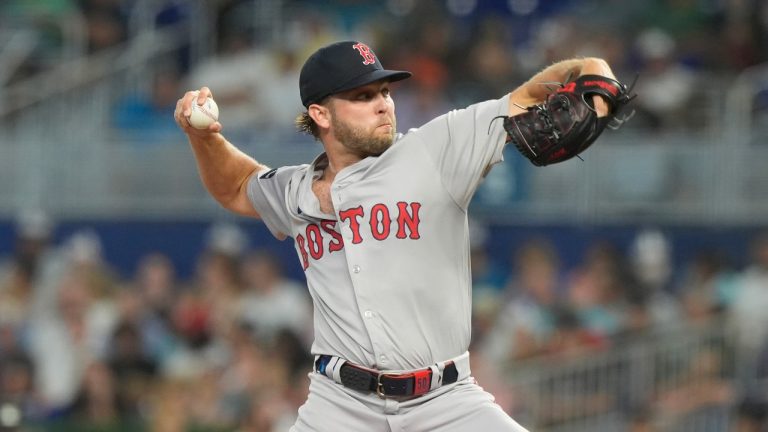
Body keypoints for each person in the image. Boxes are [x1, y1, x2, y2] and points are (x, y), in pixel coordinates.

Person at [174, 40, 618, 431]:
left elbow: (564, 80)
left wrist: (598, 86)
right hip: (339, 405)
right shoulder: (293, 191)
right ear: (320, 114)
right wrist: (203, 137)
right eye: (363, 96)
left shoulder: (435, 149)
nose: (384, 103)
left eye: (385, 91)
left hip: (445, 402)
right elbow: (235, 186)